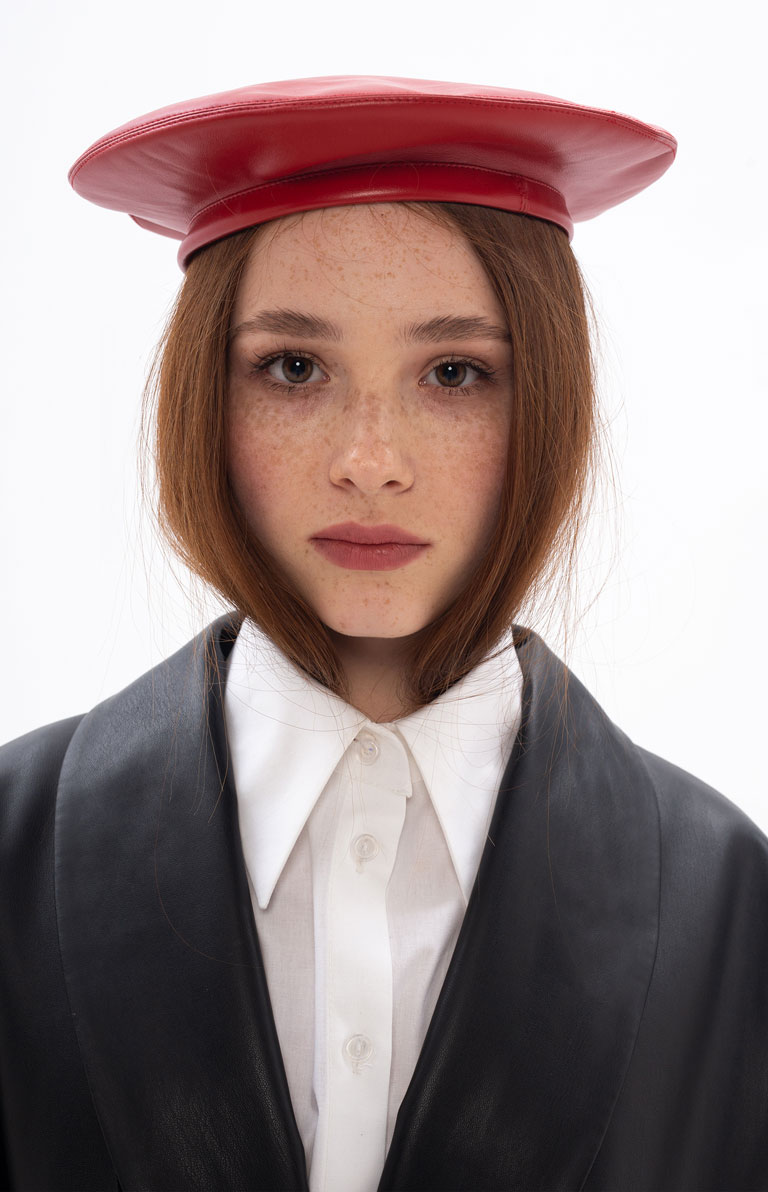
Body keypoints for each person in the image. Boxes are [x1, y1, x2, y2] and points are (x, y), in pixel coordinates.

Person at [1, 75, 766, 1192]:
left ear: (547, 402)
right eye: (294, 368)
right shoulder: (11, 850)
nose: (370, 460)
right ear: (205, 401)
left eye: (454, 373)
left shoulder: (730, 905)